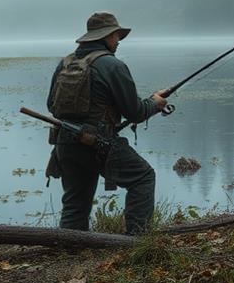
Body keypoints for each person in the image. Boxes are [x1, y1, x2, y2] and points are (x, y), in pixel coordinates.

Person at [46, 12, 167, 234]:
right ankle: (137, 241)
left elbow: (51, 106)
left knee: (75, 203)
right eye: (116, 36)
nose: (118, 41)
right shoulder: (113, 66)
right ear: (107, 37)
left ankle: (69, 249)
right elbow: (135, 112)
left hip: (65, 143)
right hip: (98, 144)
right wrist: (155, 103)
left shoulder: (65, 63)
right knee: (143, 177)